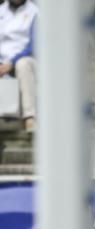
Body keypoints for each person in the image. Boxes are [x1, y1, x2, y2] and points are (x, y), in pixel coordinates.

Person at [0, 0, 37, 132]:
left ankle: (29, 117)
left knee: (23, 64)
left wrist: (12, 62)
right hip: (2, 60)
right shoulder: (1, 10)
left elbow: (34, 46)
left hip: (26, 59)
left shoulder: (35, 12)